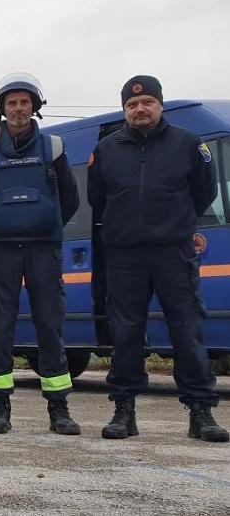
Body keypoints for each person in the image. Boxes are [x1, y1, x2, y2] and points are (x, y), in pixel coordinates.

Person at [88, 75, 227, 442]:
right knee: (126, 333)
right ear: (125, 110)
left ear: (160, 105)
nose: (140, 109)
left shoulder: (187, 143)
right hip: (125, 256)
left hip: (173, 253)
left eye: (147, 102)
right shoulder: (107, 148)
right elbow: (98, 199)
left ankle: (201, 413)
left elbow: (203, 192)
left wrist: (176, 224)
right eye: (132, 105)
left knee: (186, 331)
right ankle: (124, 410)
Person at [0, 73, 82, 435]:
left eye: (24, 102)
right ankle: (0, 409)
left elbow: (70, 199)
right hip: (0, 252)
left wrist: (43, 226)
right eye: (11, 103)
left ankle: (59, 409)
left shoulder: (54, 147)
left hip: (43, 249)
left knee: (50, 324)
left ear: (35, 107)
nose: (18, 109)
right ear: (2, 109)